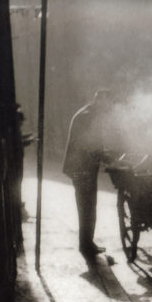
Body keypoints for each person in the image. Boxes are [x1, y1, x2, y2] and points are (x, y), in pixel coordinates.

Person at [62, 89, 114, 260]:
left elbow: (93, 143)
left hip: (83, 167)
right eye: (108, 103)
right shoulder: (87, 116)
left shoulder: (89, 113)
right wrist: (104, 156)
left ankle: (87, 243)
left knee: (87, 206)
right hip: (81, 168)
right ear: (100, 100)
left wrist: (103, 154)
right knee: (87, 206)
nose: (109, 107)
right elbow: (87, 144)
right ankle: (86, 245)